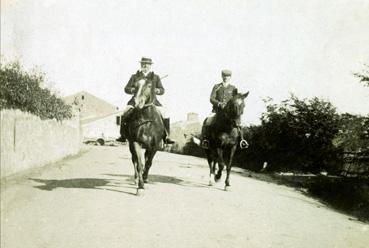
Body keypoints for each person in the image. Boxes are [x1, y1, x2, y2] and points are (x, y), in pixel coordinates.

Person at [116, 57, 175, 144]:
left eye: (147, 64)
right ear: (141, 65)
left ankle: (166, 136)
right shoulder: (135, 76)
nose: (145, 66)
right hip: (136, 100)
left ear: (150, 66)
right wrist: (133, 89)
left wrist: (157, 90)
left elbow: (162, 90)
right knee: (124, 112)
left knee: (165, 113)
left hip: (152, 101)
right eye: (143, 64)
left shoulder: (155, 77)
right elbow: (126, 88)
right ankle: (123, 135)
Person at [201, 69, 247, 149]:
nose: (226, 78)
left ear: (230, 77)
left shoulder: (233, 88)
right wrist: (219, 104)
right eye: (224, 76)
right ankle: (206, 140)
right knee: (208, 121)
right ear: (222, 76)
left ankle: (242, 140)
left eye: (228, 76)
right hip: (217, 110)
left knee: (239, 122)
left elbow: (236, 99)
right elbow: (211, 98)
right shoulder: (217, 86)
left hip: (229, 112)